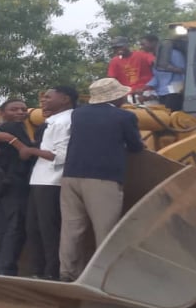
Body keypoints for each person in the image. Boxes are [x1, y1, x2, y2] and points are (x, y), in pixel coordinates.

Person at [58, 78, 144, 282]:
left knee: (71, 229)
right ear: (117, 97)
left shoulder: (77, 114)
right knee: (105, 229)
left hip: (71, 176)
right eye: (122, 94)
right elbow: (136, 147)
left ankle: (68, 273)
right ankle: (103, 276)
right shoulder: (125, 117)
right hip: (102, 179)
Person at [3, 87, 77, 279]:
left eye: (48, 97)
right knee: (33, 228)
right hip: (40, 179)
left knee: (48, 229)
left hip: (52, 181)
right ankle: (38, 270)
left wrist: (28, 150)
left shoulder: (65, 122)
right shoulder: (53, 121)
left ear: (65, 98)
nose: (43, 100)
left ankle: (51, 272)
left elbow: (60, 155)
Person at [0, 99, 36, 276]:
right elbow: (26, 155)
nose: (20, 112)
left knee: (2, 227)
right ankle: (6, 268)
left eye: (23, 109)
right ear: (2, 112)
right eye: (14, 109)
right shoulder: (14, 129)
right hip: (15, 184)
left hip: (1, 185)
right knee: (14, 227)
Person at [145, 40, 186, 111]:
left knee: (172, 113)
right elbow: (157, 75)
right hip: (162, 92)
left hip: (175, 90)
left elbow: (184, 71)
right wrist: (146, 86)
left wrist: (185, 86)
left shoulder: (175, 54)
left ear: (153, 43)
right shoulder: (156, 56)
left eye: (143, 44)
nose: (142, 47)